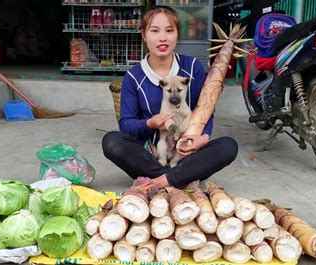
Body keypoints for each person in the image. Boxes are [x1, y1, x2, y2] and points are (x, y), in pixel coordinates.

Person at [102, 5, 238, 190]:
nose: (162, 37)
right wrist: (150, 124)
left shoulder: (191, 68)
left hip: (187, 153)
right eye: (155, 30)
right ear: (144, 34)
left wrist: (203, 138)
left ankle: (161, 181)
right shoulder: (134, 76)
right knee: (111, 142)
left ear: (177, 35)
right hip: (150, 156)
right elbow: (126, 125)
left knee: (228, 146)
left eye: (169, 30)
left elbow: (206, 107)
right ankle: (179, 178)